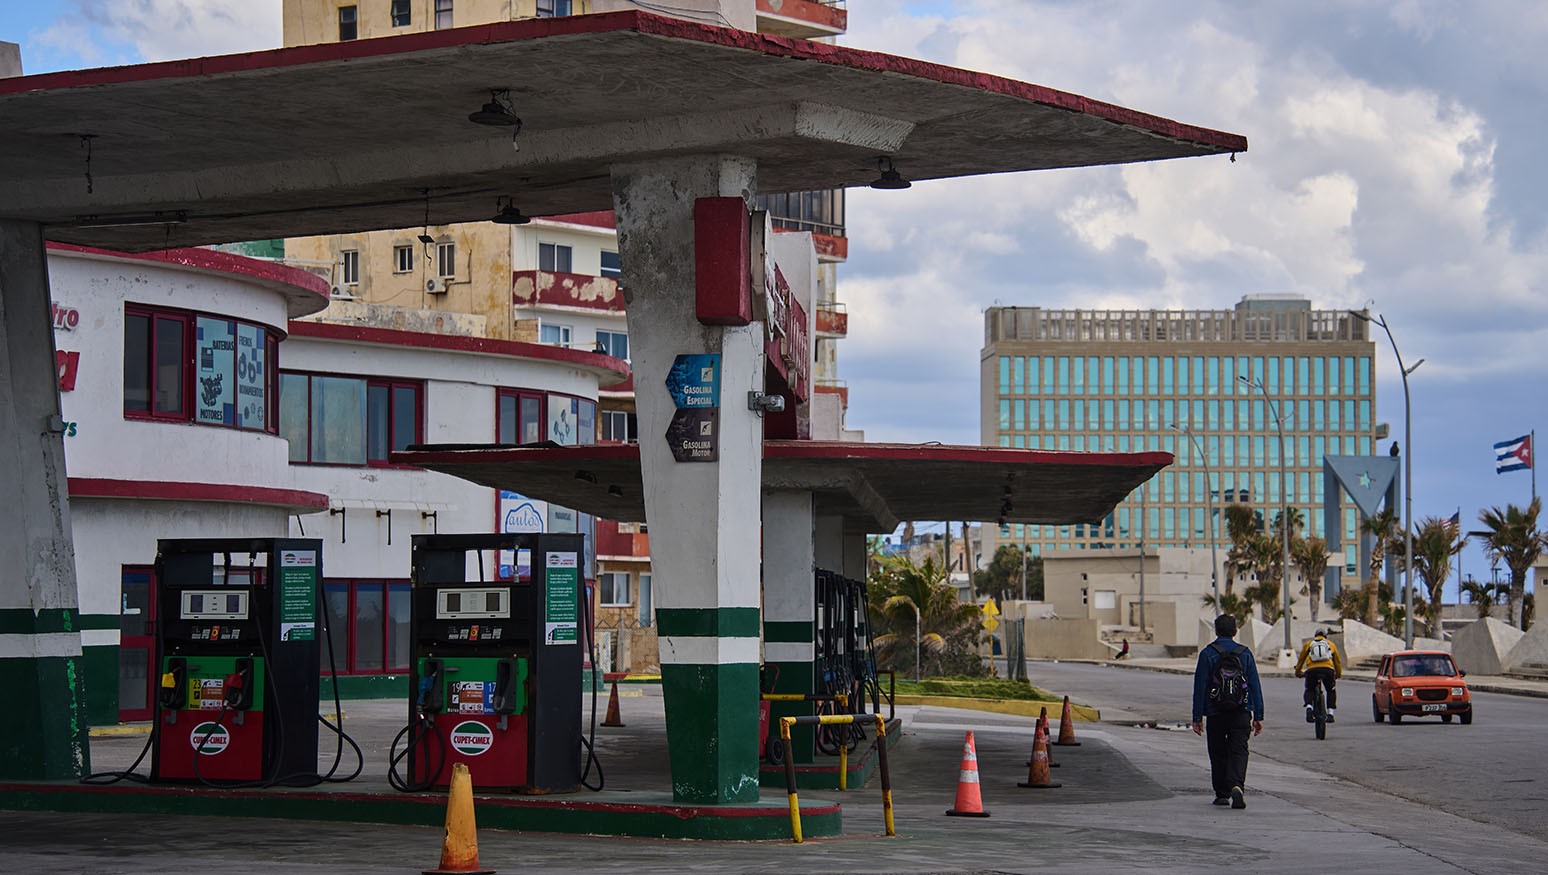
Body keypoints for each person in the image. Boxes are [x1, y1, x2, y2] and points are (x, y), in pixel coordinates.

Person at [1192, 614, 1264, 810]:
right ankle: (1237, 785)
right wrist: (1258, 715)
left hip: (1215, 712)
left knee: (1217, 751)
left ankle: (1222, 794)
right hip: (1241, 711)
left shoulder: (1207, 653)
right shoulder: (1245, 654)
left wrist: (1197, 717)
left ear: (1216, 631)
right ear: (1235, 631)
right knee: (1239, 750)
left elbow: (1200, 686)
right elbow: (1254, 686)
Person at [1295, 629, 1343, 723]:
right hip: (1327, 670)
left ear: (1315, 636)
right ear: (1325, 636)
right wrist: (1338, 674)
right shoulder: (1330, 644)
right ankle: (1330, 714)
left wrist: (1298, 672)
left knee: (1310, 689)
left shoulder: (1309, 644)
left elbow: (1301, 660)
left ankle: (1309, 707)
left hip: (1312, 670)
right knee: (1331, 690)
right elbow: (1337, 661)